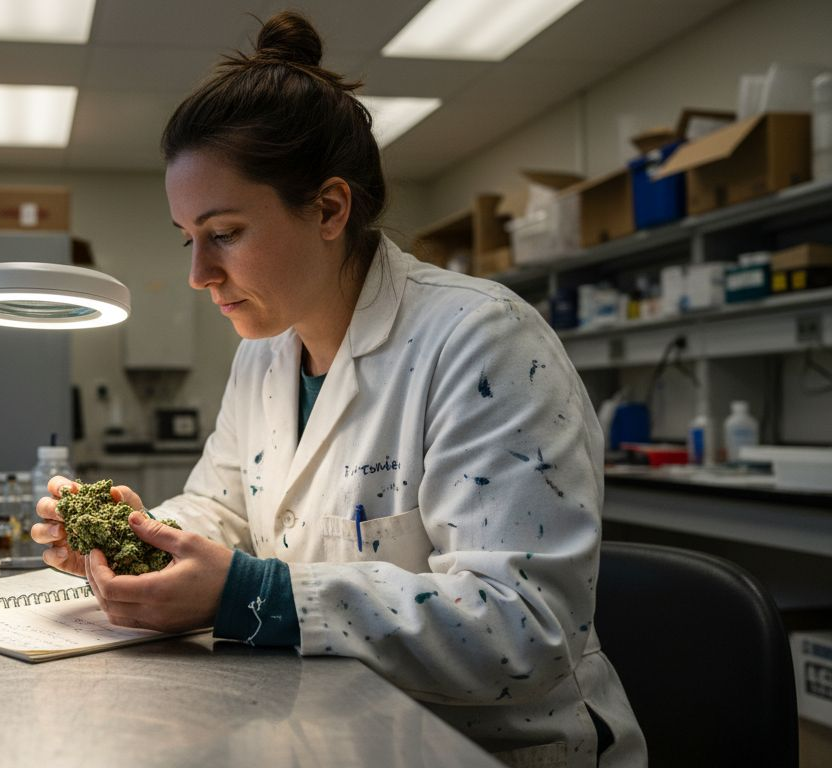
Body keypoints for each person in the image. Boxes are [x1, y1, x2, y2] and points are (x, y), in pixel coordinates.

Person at [31, 12, 644, 767]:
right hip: (323, 726)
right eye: (189, 238)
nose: (199, 274)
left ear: (329, 209)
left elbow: (522, 630)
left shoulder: (482, 341)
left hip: (491, 749)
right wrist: (141, 540)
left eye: (225, 233)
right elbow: (223, 511)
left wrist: (257, 596)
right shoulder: (264, 354)